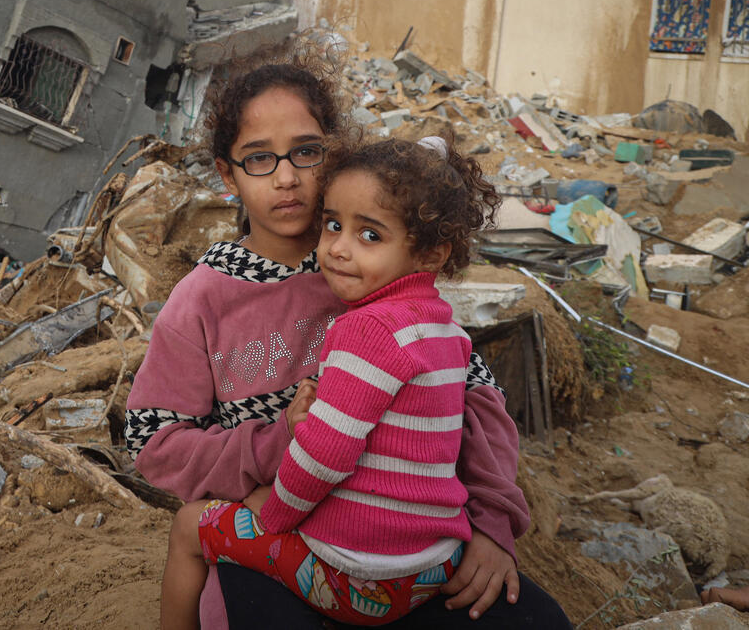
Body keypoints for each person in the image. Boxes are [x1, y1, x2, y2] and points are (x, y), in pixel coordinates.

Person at [126, 41, 571, 629]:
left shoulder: (379, 272)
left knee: (539, 622)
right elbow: (154, 441)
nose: (286, 177)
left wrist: (492, 525)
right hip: (275, 540)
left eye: (305, 152)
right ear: (227, 174)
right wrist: (274, 444)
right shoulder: (202, 300)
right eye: (259, 158)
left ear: (334, 156)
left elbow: (478, 406)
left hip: (406, 548)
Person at [161, 135, 500, 627]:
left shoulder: (366, 329)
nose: (338, 248)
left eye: (370, 236)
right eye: (334, 224)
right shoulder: (447, 331)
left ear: (429, 254)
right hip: (435, 562)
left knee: (189, 527)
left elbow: (324, 454)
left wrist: (272, 512)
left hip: (359, 579)